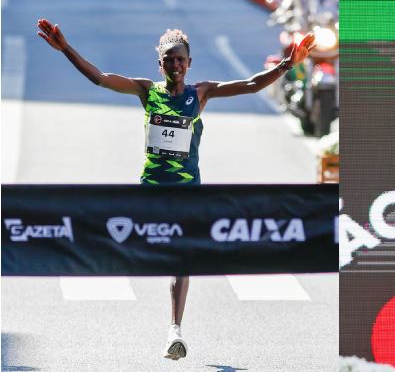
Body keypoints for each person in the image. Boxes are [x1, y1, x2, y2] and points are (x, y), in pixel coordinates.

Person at [36, 18, 315, 361]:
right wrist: (65, 49)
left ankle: (175, 331)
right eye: (169, 59)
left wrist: (288, 63)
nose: (175, 64)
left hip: (187, 192)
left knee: (181, 258)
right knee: (129, 245)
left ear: (189, 63)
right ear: (161, 64)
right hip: (150, 189)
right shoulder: (147, 91)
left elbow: (252, 84)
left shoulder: (201, 93)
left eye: (180, 59)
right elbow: (101, 78)